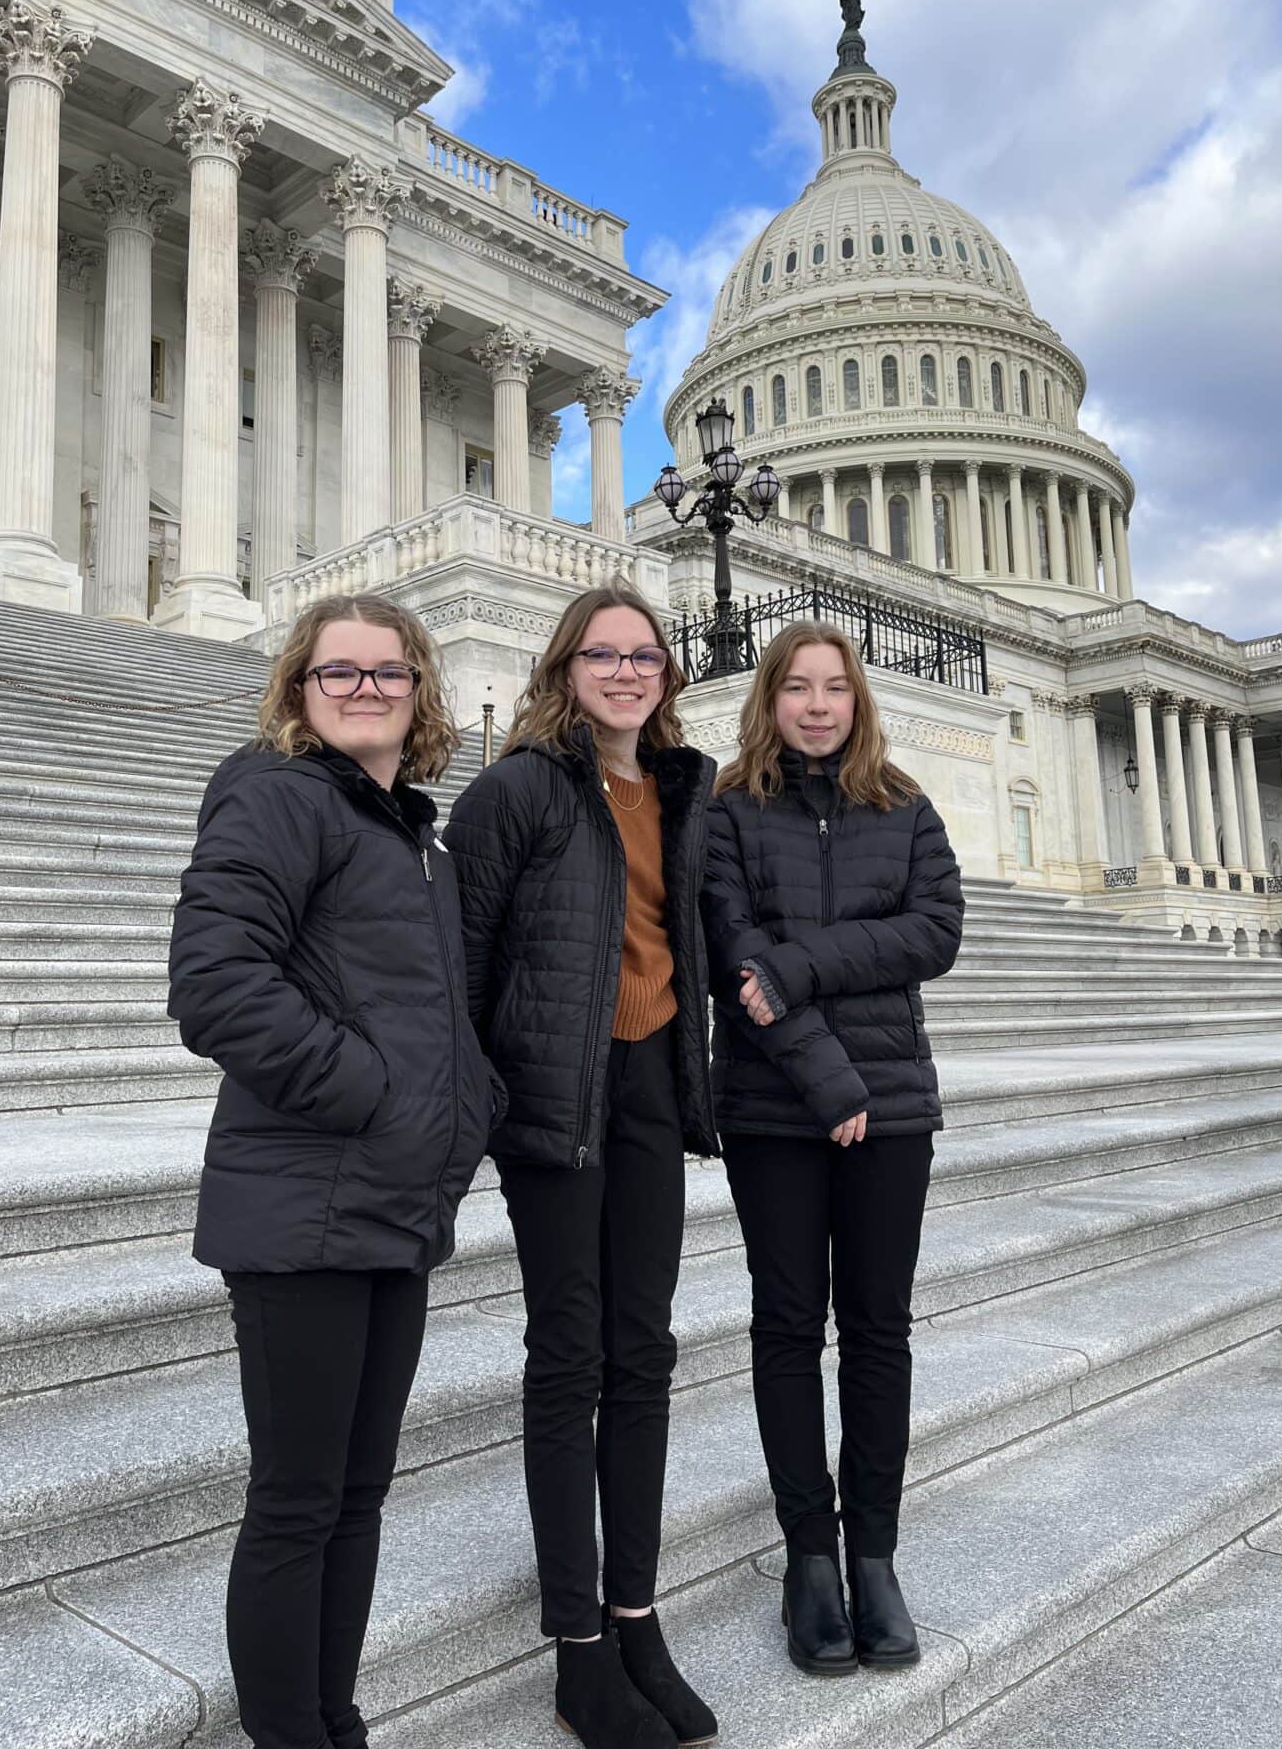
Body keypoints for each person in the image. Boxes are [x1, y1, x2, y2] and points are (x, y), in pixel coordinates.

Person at [168, 593, 500, 1749]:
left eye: (388, 673)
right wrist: (376, 1095)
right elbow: (215, 987)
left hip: (393, 1205)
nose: (366, 690)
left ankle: (333, 1722)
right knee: (300, 1502)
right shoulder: (272, 794)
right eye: (339, 672)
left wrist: (461, 1117)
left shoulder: (412, 830)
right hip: (302, 1203)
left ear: (421, 690)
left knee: (358, 1496)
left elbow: (436, 1012)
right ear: (300, 691)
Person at [444, 580, 719, 1749]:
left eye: (643, 656)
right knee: (569, 1358)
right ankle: (578, 1650)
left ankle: (636, 1614)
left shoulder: (681, 788)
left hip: (655, 1079)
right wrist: (484, 1100)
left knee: (643, 1352)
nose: (624, 672)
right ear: (566, 669)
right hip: (556, 1098)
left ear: (664, 675)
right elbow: (459, 960)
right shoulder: (514, 790)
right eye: (603, 655)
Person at [701, 621, 964, 1678]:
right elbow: (735, 959)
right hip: (777, 1105)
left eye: (835, 689)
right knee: (784, 1327)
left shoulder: (904, 806)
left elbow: (935, 932)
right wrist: (828, 1078)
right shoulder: (727, 815)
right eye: (796, 688)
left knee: (878, 1331)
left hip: (891, 1108)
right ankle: (810, 1555)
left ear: (859, 702)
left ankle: (876, 1553)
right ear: (767, 701)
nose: (816, 705)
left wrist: (805, 968)